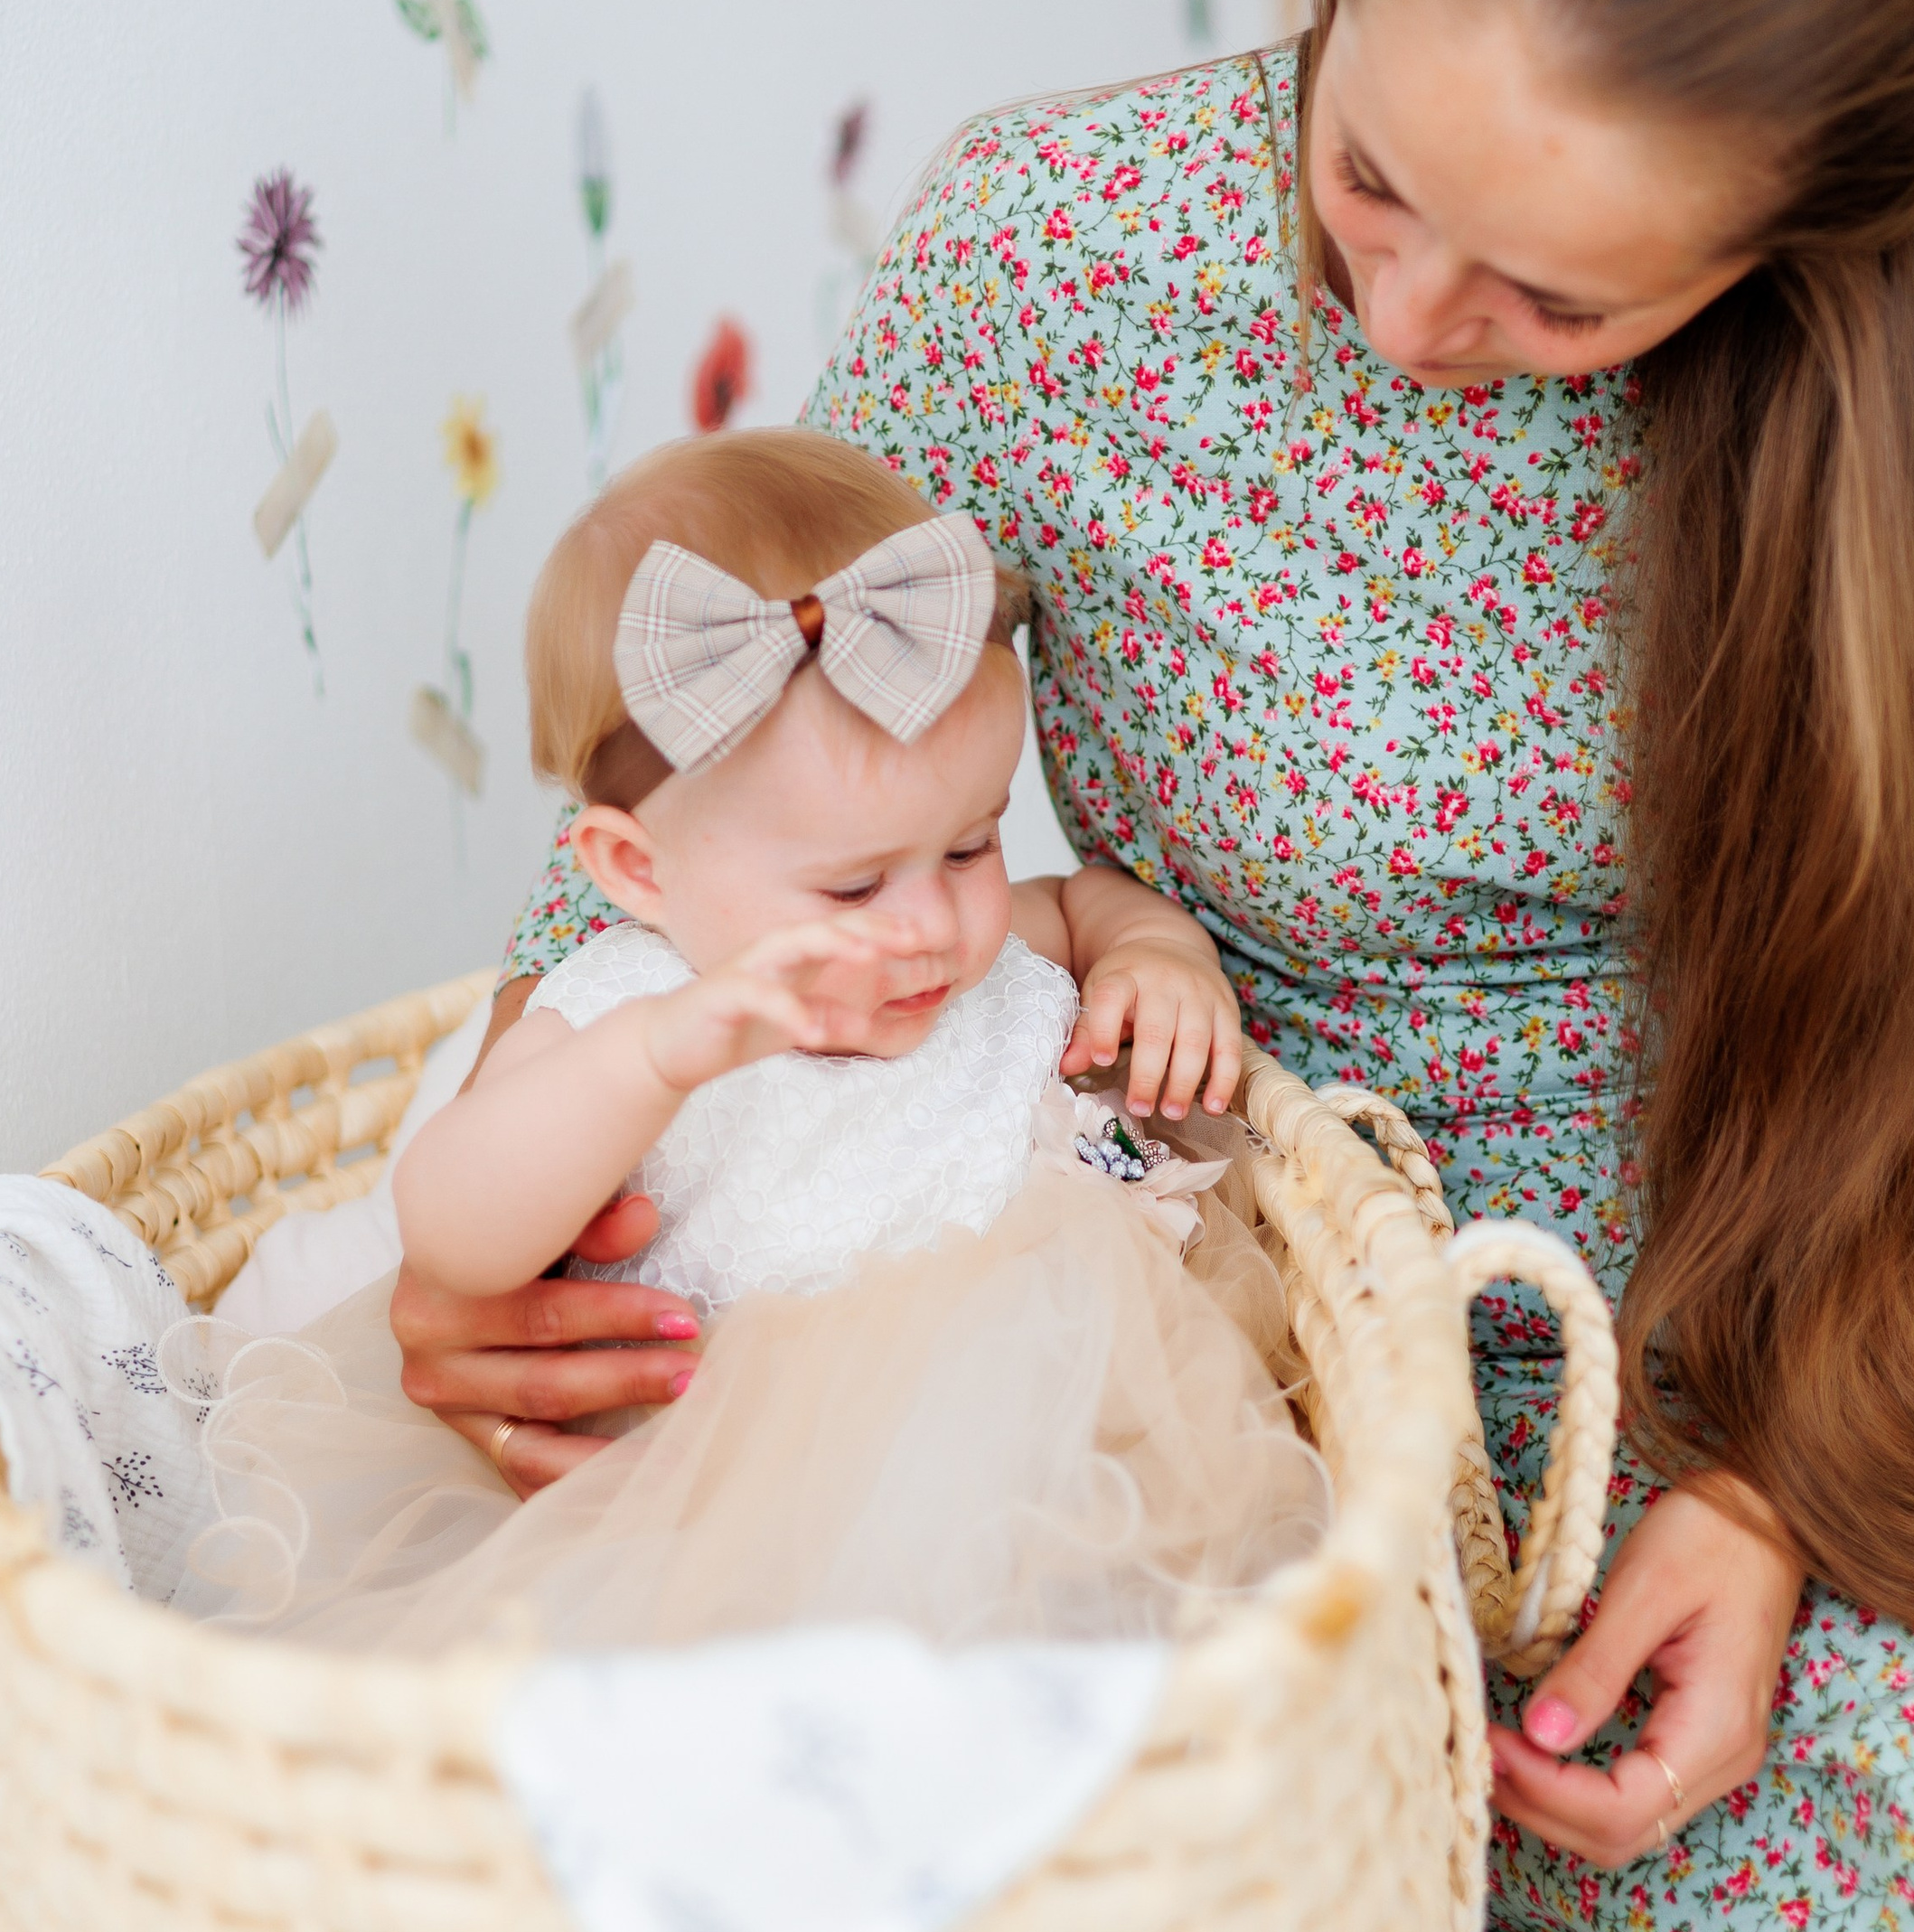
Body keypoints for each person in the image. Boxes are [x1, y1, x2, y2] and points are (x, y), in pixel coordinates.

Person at [400, 0, 1914, 1932]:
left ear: (1812, 243)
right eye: (1368, 171)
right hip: (1361, 1281)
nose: (1401, 310)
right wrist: (520, 1181)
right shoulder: (1057, 252)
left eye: (1557, 298)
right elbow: (731, 716)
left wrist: (1791, 1493)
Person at [177, 428, 1324, 1654]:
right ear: (639, 870)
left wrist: (1157, 955)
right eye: (851, 891)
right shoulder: (625, 1013)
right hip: (713, 1519)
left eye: (972, 841)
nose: (937, 924)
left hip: (1050, 1459)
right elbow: (453, 1225)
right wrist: (654, 1057)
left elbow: (1091, 899)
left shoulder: (987, 956)